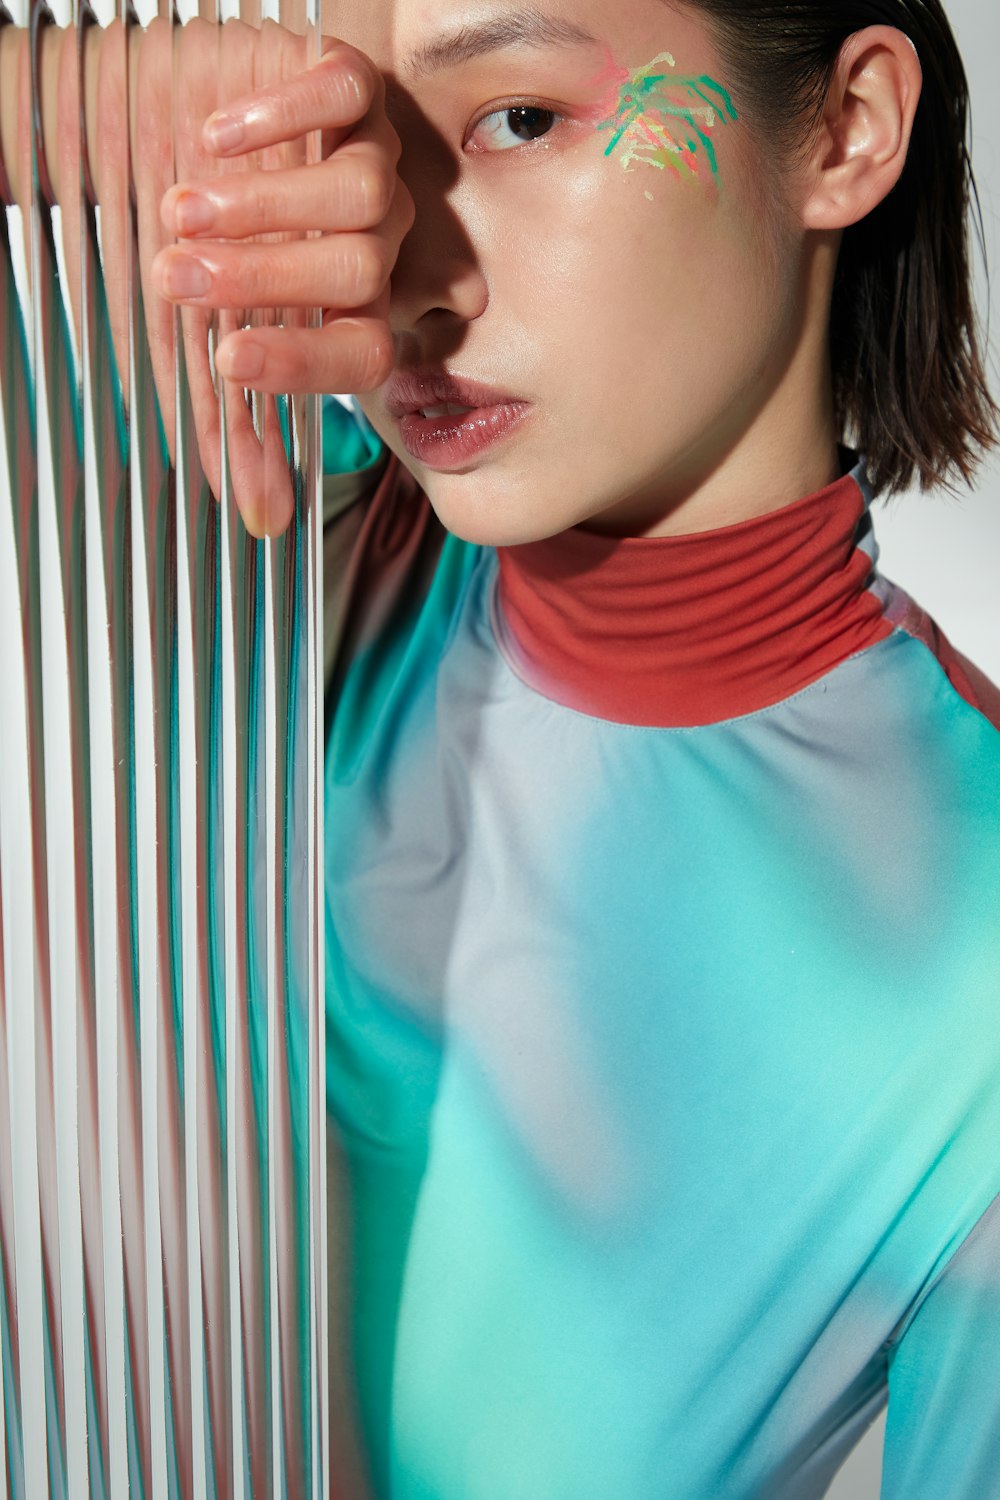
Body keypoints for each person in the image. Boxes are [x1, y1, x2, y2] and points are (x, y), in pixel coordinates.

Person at [151, 1, 1000, 1495]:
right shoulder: (299, 517)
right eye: (360, 146)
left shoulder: (973, 946)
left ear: (851, 125)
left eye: (522, 120)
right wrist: (81, 112)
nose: (401, 272)